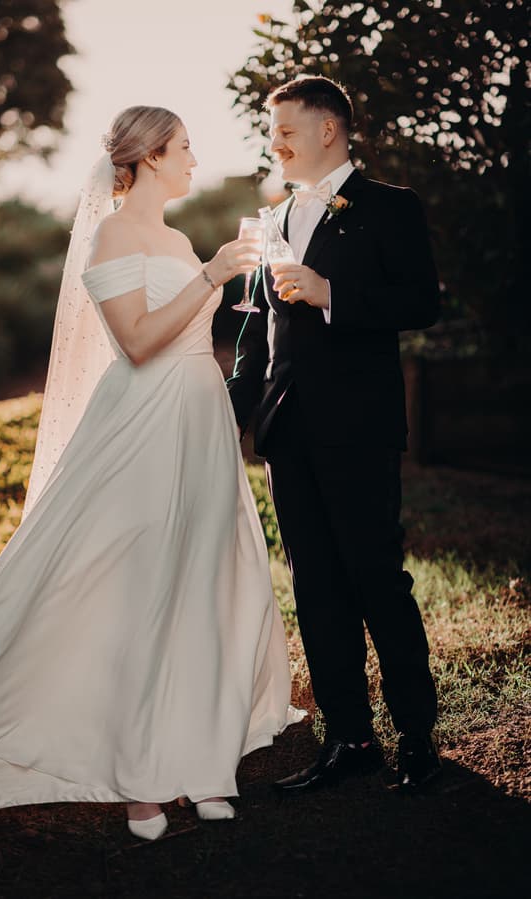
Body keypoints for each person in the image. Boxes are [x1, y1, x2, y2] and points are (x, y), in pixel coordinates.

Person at [0, 106, 301, 840]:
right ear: (151, 157)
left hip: (199, 419)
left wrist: (230, 278)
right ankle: (140, 783)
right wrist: (209, 274)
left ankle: (199, 760)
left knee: (201, 581)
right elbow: (136, 342)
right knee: (140, 588)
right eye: (186, 147)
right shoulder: (113, 235)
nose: (195, 159)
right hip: (144, 425)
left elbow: (195, 324)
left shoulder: (175, 235)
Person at [228, 76, 441, 793]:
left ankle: (417, 738)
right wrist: (236, 411)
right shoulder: (270, 218)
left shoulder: (389, 207)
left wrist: (331, 295)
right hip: (287, 432)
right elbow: (256, 330)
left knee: (376, 578)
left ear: (329, 128)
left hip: (360, 426)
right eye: (271, 131)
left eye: (285, 128)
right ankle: (349, 735)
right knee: (315, 586)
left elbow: (422, 301)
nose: (275, 142)